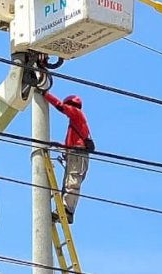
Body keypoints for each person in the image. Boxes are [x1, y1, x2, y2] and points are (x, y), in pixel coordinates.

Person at [39, 90, 95, 224]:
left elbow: (60, 106)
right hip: (74, 154)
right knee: (68, 182)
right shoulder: (75, 122)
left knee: (72, 182)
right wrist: (58, 145)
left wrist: (45, 94)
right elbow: (70, 143)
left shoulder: (77, 113)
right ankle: (63, 210)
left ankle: (67, 210)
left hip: (78, 154)